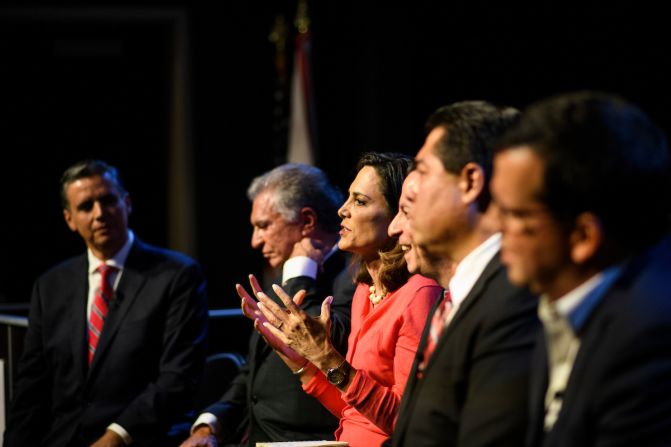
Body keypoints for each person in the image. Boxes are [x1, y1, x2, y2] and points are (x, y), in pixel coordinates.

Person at [490, 91, 671, 446]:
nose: (497, 228)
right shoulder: (562, 304)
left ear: (583, 236)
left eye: (514, 214)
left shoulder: (648, 337)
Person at [4, 160, 209, 447]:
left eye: (108, 200)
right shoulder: (50, 286)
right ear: (69, 219)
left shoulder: (176, 276)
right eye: (86, 206)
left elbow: (177, 378)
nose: (99, 214)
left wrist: (116, 436)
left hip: (140, 439)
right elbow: (31, 389)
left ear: (127, 203)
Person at [252, 152, 443, 447]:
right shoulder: (363, 295)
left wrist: (326, 356)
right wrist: (301, 363)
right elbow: (355, 414)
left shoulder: (419, 294)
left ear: (397, 217)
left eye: (360, 201)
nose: (343, 210)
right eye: (348, 198)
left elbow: (406, 420)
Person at [390, 101, 541, 447]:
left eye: (424, 171)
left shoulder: (514, 296)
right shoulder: (453, 299)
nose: (412, 188)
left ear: (470, 181)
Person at [181, 163, 355, 446]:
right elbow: (251, 373)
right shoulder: (284, 279)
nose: (255, 241)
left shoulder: (353, 273)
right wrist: (210, 425)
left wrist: (301, 271)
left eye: (263, 226)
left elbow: (320, 345)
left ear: (307, 221)